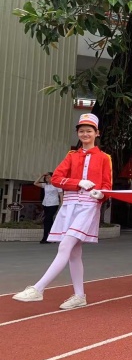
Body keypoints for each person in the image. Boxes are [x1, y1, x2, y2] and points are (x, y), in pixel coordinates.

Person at [13, 113, 112, 309]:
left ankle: (38, 288)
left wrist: (101, 194)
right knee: (74, 252)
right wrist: (78, 182)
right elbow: (56, 179)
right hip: (69, 205)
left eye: (89, 131)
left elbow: (107, 186)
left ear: (97, 133)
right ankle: (80, 295)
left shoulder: (104, 158)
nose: (85, 134)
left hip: (88, 206)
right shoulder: (71, 156)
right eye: (81, 131)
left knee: (65, 246)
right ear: (78, 133)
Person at [34, 171, 63, 244]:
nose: (47, 178)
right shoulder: (45, 185)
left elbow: (61, 195)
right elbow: (35, 183)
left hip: (54, 204)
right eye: (46, 177)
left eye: (49, 177)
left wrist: (62, 204)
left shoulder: (57, 185)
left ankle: (45, 238)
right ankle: (52, 237)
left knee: (47, 220)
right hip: (45, 204)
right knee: (49, 221)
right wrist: (41, 175)